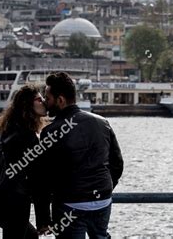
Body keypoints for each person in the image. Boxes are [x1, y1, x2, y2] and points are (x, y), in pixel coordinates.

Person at [38, 72, 124, 238]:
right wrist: (104, 188)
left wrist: (43, 219)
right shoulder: (102, 122)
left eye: (48, 98)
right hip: (102, 200)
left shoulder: (51, 132)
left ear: (60, 100)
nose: (46, 103)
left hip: (71, 204)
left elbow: (44, 180)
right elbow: (117, 163)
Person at [0, 85, 50, 238]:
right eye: (38, 99)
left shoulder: (7, 129)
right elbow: (38, 180)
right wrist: (43, 220)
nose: (44, 102)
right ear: (26, 104)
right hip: (15, 205)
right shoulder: (28, 138)